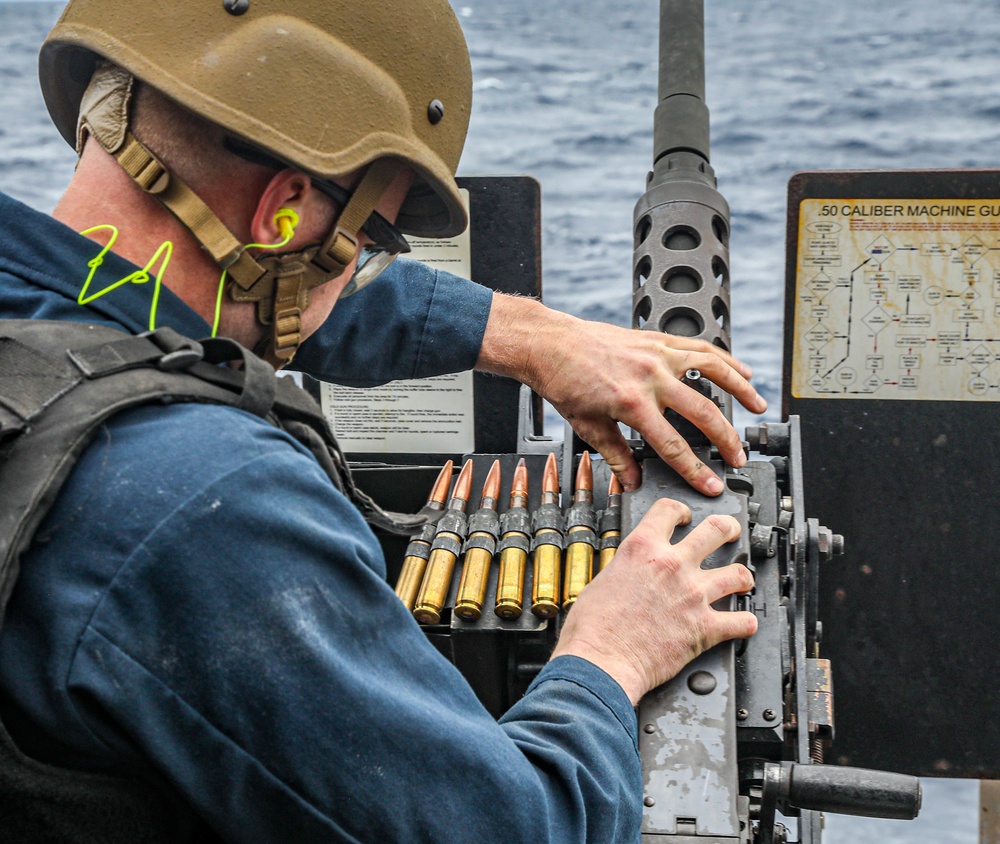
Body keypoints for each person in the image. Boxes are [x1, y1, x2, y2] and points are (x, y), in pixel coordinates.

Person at [0, 0, 764, 841]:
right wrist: (609, 655)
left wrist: (535, 340)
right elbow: (515, 829)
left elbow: (243, 296)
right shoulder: (207, 501)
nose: (359, 271)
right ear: (284, 211)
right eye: (366, 239)